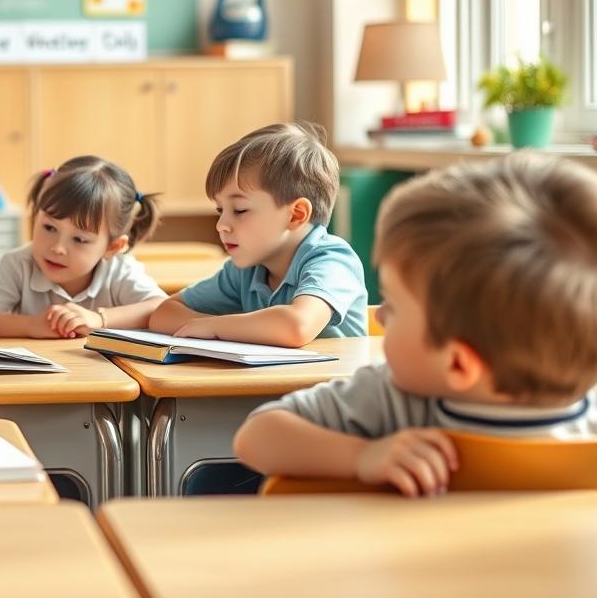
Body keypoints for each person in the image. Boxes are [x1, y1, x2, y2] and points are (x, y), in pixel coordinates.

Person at [235, 154, 597, 496]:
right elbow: (257, 437)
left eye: (392, 304)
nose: (379, 316)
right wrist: (363, 456)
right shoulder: (393, 398)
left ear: (457, 363)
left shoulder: (404, 397)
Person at [148, 123, 366, 346]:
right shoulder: (246, 270)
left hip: (332, 381)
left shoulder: (333, 260)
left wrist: (215, 327)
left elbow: (297, 326)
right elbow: (164, 314)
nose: (221, 225)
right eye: (220, 211)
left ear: (295, 215)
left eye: (240, 210)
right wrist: (212, 326)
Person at [0, 156, 167, 339]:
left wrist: (99, 319)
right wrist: (30, 325)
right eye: (49, 227)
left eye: (79, 239)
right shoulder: (18, 264)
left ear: (113, 247)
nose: (58, 248)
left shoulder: (119, 270)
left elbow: (161, 308)